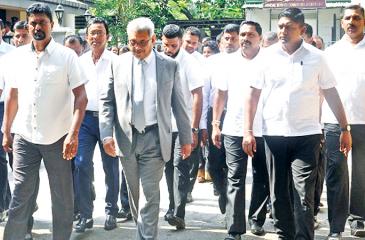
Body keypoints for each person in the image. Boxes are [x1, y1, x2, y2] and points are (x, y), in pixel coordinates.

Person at [243, 7, 352, 240]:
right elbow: (252, 95)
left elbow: (331, 92)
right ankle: (285, 235)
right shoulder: (266, 57)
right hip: (273, 135)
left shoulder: (317, 58)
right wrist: (248, 131)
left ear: (302, 30)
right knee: (278, 194)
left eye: (288, 27)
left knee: (303, 193)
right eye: (280, 26)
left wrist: (344, 128)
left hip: (307, 135)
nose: (282, 31)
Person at [99, 17, 192, 240]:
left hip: (155, 137)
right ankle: (143, 232)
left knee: (150, 193)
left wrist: (187, 138)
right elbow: (107, 100)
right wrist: (105, 135)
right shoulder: (118, 63)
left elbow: (179, 103)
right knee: (134, 192)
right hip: (126, 136)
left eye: (142, 42)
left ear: (152, 40)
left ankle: (147, 237)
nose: (137, 47)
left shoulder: (168, 65)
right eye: (133, 42)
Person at [2, 3, 88, 240]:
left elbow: (81, 98)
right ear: (27, 25)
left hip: (58, 138)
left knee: (61, 196)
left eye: (42, 22)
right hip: (24, 136)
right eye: (33, 23)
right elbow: (12, 95)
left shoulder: (67, 57)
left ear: (52, 24)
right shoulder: (16, 57)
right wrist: (6, 130)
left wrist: (73, 133)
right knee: (21, 194)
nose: (37, 27)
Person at [212, 20, 269, 240]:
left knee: (262, 177)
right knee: (235, 177)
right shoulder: (227, 62)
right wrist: (216, 124)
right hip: (234, 128)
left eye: (250, 34)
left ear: (260, 38)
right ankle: (234, 229)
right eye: (242, 34)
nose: (245, 38)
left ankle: (257, 218)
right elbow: (220, 94)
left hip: (265, 129)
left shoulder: (270, 61)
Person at [322, 4, 365, 239]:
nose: (352, 22)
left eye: (357, 18)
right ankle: (335, 227)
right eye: (347, 18)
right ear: (341, 23)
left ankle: (358, 219)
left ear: (364, 21)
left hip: (364, 122)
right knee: (336, 173)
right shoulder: (330, 53)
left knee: (362, 174)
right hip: (334, 122)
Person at [74, 17, 120, 233]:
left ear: (107, 36)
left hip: (108, 120)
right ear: (86, 36)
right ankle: (85, 214)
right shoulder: (79, 62)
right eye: (92, 33)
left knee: (110, 167)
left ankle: (111, 210)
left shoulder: (116, 61)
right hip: (84, 120)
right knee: (81, 164)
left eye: (100, 32)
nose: (96, 37)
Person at [161, 24, 203, 228]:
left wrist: (194, 128)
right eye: (166, 44)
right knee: (169, 168)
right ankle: (172, 207)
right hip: (163, 124)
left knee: (180, 166)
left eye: (173, 45)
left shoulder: (190, 63)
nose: (169, 49)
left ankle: (179, 213)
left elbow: (197, 96)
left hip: (183, 125)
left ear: (180, 42)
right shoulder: (158, 59)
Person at [201, 23, 240, 213]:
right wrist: (203, 124)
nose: (230, 42)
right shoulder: (211, 62)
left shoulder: (247, 60)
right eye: (227, 38)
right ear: (221, 40)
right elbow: (204, 92)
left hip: (239, 115)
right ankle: (222, 190)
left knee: (234, 162)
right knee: (215, 162)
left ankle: (231, 199)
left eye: (234, 38)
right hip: (215, 116)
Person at [0, 18, 14, 224]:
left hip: (4, 107)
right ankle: (7, 202)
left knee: (6, 157)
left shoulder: (11, 54)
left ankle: (6, 204)